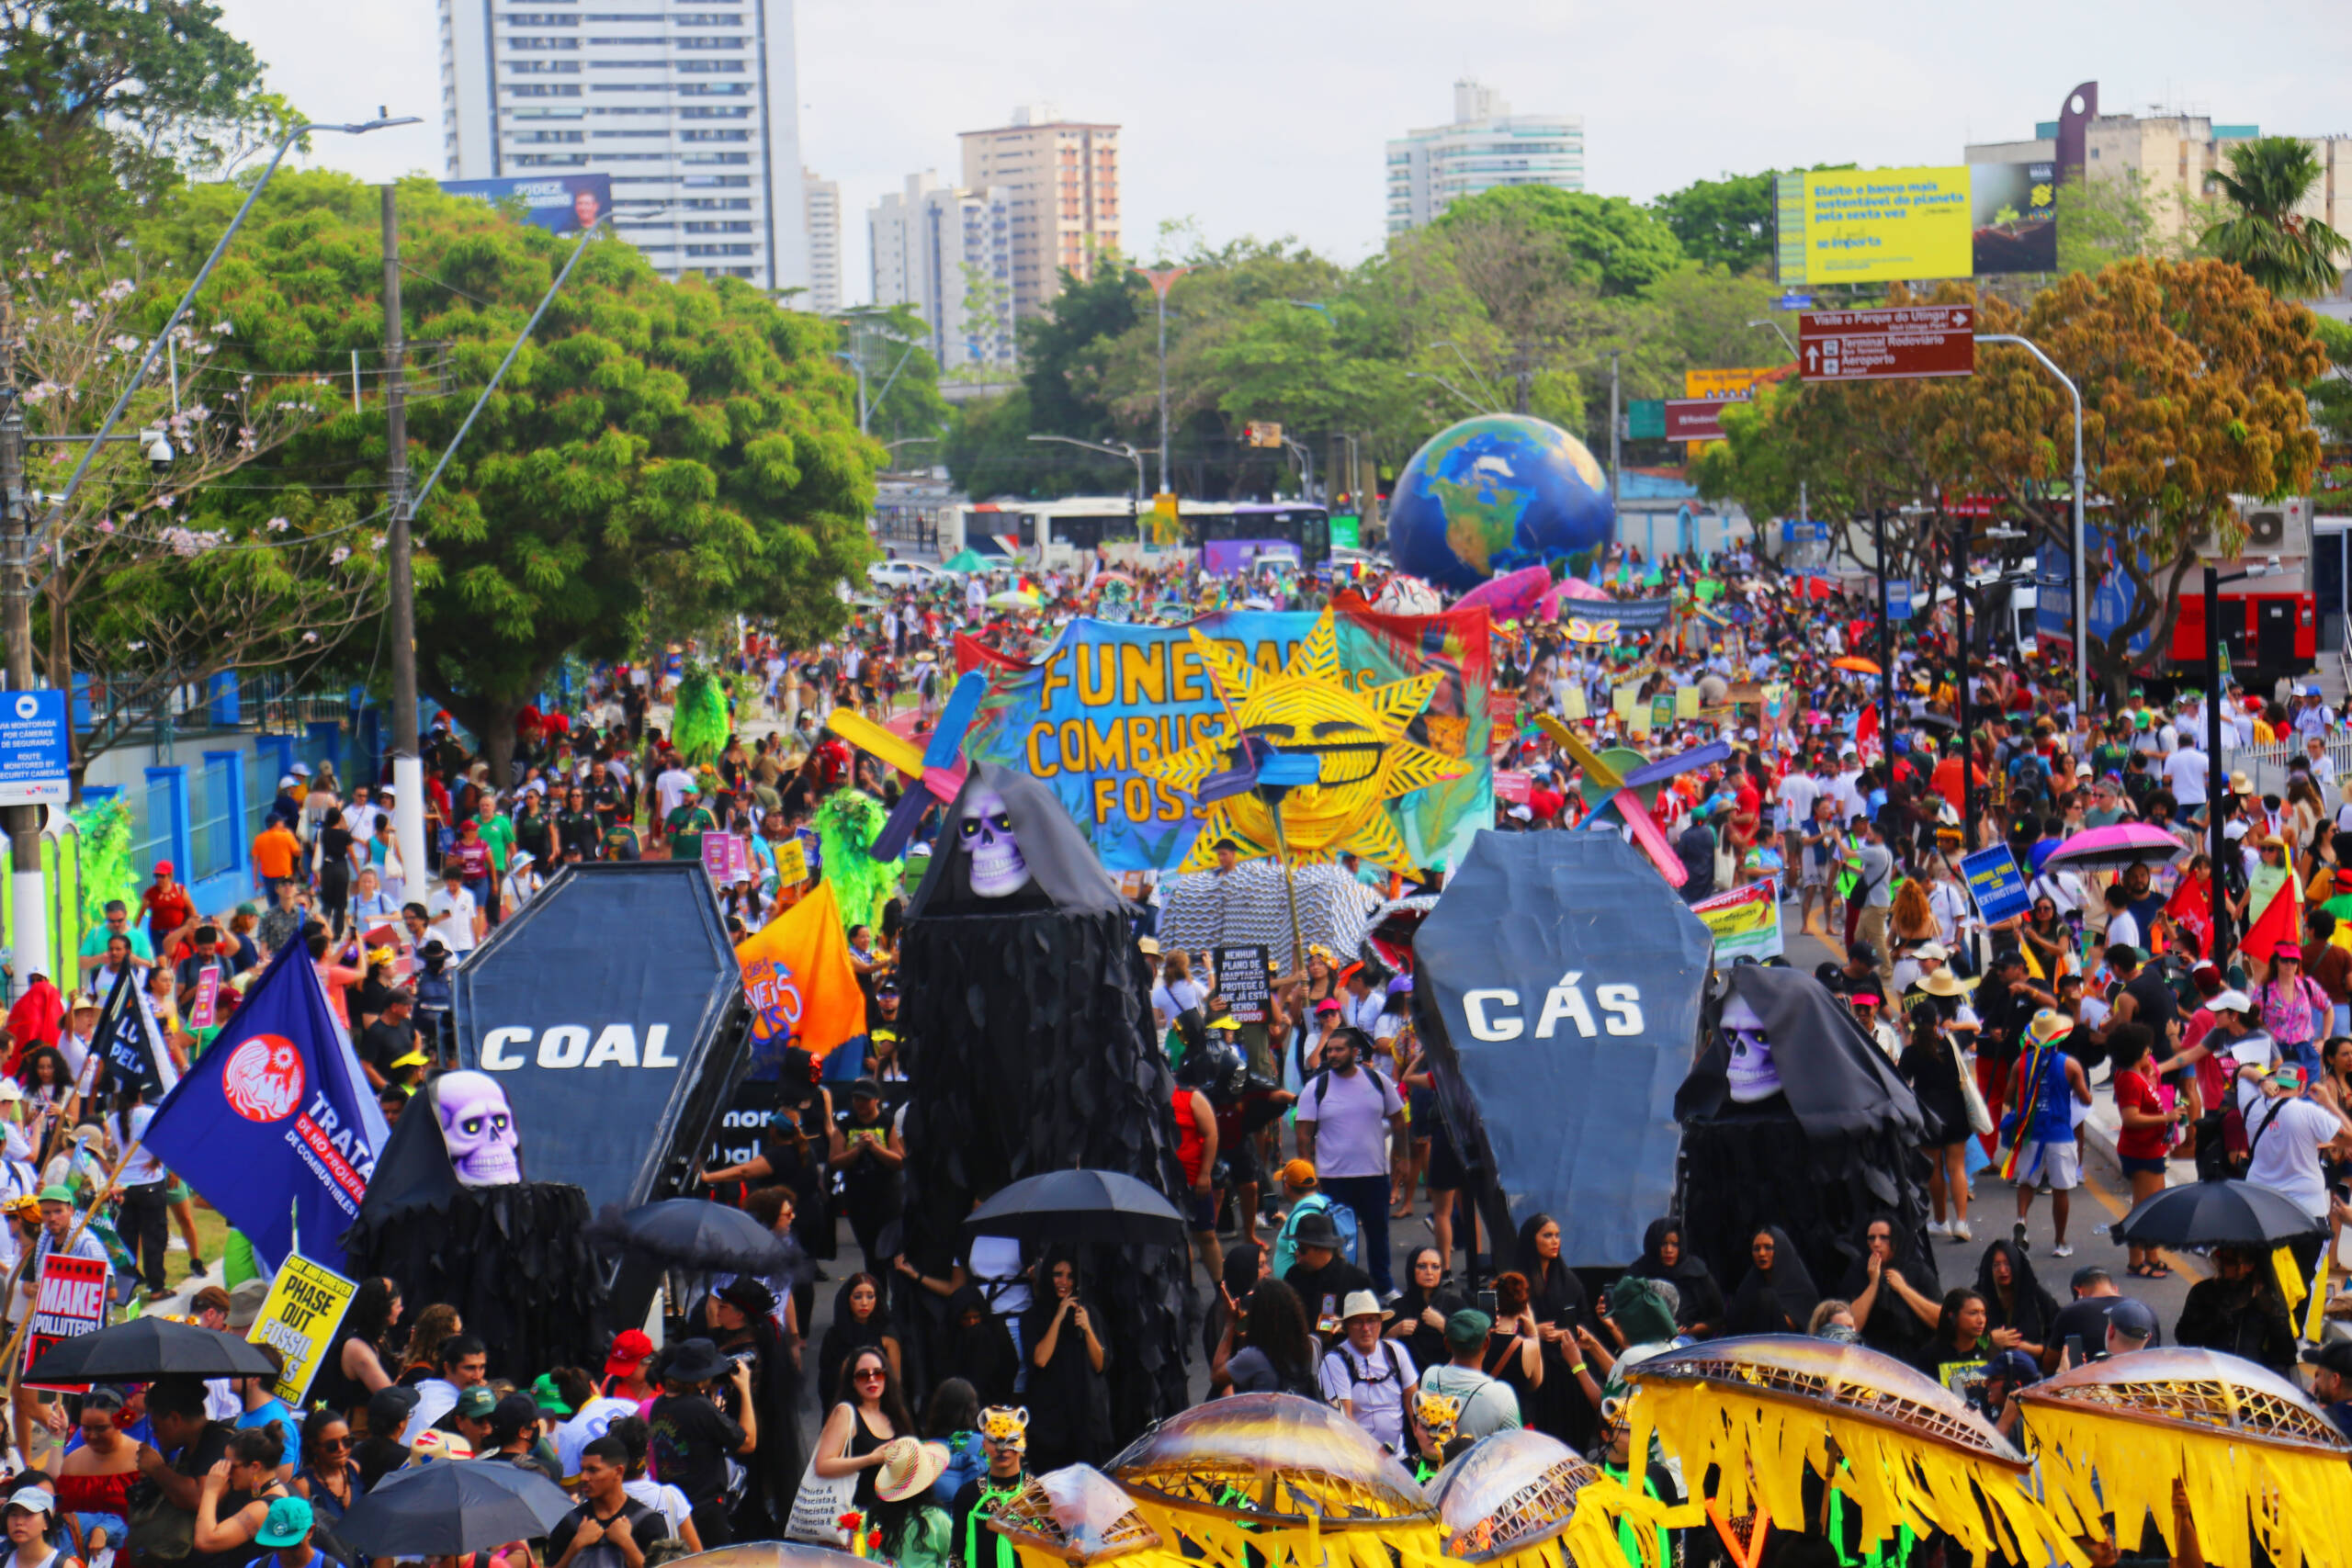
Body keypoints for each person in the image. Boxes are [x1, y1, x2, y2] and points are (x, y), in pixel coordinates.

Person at [1293, 1026, 1406, 1295]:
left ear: (1355, 1053)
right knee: (1337, 1239)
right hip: (1334, 1178)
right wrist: (1308, 1174)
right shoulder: (1316, 1087)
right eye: (1329, 1050)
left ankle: (1383, 1287)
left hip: (1374, 1175)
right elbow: (1303, 1135)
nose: (1332, 1054)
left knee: (1378, 1234)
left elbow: (1400, 1124)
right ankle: (1339, 1291)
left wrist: (1403, 1159)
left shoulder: (1379, 1081)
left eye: (1339, 1049)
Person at [647, 1338, 755, 1548]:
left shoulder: (659, 1405)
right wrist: (745, 1390)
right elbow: (748, 1442)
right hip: (706, 1510)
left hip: (674, 1507)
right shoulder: (701, 1408)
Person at [2006, 1009, 2093, 1257]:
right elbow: (2086, 1100)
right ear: (2059, 1036)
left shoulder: (2020, 1064)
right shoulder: (2070, 1064)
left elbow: (2008, 1097)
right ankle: (2060, 1241)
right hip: (2060, 1134)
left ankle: (2022, 1218)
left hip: (2031, 1132)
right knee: (2060, 1189)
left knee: (2026, 1182)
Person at [1018, 1249, 1110, 1472]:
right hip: (1049, 1422)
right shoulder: (1032, 1317)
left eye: (1070, 1276)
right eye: (1058, 1274)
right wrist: (1058, 1317)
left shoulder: (1089, 1313)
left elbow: (1100, 1364)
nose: (1064, 1282)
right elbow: (1040, 1359)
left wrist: (1088, 1329)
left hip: (1084, 1419)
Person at [1898, 1008, 1975, 1240]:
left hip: (1928, 1115)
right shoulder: (1952, 1045)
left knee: (1935, 1170)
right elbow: (1974, 1031)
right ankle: (1961, 1222)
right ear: (1937, 1022)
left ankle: (1941, 1221)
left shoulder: (1911, 1052)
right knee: (1957, 1167)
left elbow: (1902, 1082)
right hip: (1956, 1113)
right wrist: (1954, 1026)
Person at [813, 1345, 910, 1521]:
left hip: (892, 1517)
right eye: (863, 1375)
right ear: (853, 1381)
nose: (872, 1380)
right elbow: (822, 1465)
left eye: (878, 1373)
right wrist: (870, 1459)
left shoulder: (894, 1414)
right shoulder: (846, 1414)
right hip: (856, 1521)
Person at [550, 1435, 671, 1568]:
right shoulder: (571, 1524)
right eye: (583, 1470)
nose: (584, 1477)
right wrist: (575, 1545)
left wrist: (627, 1543)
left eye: (593, 1470)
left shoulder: (649, 1522)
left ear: (618, 1471)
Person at [1411, 1310, 1521, 1455]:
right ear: (1487, 1343)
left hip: (1433, 1476)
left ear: (1447, 1344)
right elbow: (1516, 1450)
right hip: (1478, 1475)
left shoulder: (1431, 1376)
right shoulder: (1502, 1395)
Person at [2175, 1246, 2298, 1374]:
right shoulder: (2203, 1292)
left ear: (2249, 1266)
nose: (2220, 1264)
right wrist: (2219, 1316)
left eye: (2229, 1262)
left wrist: (2273, 1316)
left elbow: (2286, 1354)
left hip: (2251, 1380)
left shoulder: (2265, 1299)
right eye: (2218, 1256)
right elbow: (2184, 1338)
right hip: (2210, 1375)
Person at [1320, 1291, 1417, 1453]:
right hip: (1357, 1458)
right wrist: (1374, 1454)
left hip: (1398, 1457)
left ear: (1380, 1323)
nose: (1366, 1329)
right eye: (1358, 1322)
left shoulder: (1396, 1351)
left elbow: (1412, 1400)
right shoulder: (1334, 1361)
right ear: (1347, 1327)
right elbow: (1345, 1418)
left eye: (1371, 1321)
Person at [1837, 1215, 1942, 1359]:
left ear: (1896, 1241)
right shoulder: (1858, 1271)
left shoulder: (1918, 1271)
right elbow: (1851, 1326)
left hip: (1916, 1354)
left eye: (1884, 1238)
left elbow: (1942, 1323)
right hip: (1871, 1355)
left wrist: (1904, 1289)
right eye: (1871, 1238)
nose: (1876, 1243)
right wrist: (1873, 1283)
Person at [55, 1387, 138, 1567]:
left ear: (119, 1422)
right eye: (86, 1428)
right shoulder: (72, 1462)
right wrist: (58, 1438)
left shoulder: (142, 1459)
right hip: (80, 1558)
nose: (92, 1436)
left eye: (101, 1428)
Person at [190, 1424, 292, 1568]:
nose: (226, 1473)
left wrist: (210, 1490)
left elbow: (205, 1540)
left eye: (231, 1466)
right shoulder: (278, 1491)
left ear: (255, 1467)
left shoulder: (264, 1508)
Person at [948, 1407, 1032, 1568]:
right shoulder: (967, 1495)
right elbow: (957, 1554)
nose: (1002, 1448)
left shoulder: (1038, 1495)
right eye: (994, 1440)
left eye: (1011, 1440)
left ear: (1023, 1442)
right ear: (984, 1444)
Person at [1281, 1208, 1373, 1348]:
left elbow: (1375, 1323)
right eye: (1297, 1247)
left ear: (1320, 1248)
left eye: (1303, 1249)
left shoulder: (1357, 1280)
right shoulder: (1293, 1276)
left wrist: (1346, 1326)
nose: (1296, 1253)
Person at [813, 1273, 900, 1412]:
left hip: (880, 1406)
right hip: (845, 1403)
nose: (864, 1303)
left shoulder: (887, 1334)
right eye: (858, 1296)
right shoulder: (834, 1336)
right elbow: (827, 1380)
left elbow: (895, 1380)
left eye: (870, 1296)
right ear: (847, 1299)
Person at [1625, 1218, 1723, 1337]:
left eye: (1675, 1244)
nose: (1669, 1250)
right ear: (1654, 1245)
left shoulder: (1696, 1272)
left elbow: (1717, 1320)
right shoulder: (1639, 1271)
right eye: (1663, 1244)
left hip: (1687, 1343)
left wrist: (1688, 1329)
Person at [1225, 1278, 1321, 1398]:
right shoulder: (1313, 1345)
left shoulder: (1253, 1357)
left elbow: (1217, 1375)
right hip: (1304, 1414)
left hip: (1267, 1416)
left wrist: (1230, 1323)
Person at [1974, 1239, 2062, 1364]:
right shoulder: (1976, 1299)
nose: (2002, 1270)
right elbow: (1960, 1340)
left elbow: (2060, 1335)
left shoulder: (2036, 1296)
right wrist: (1988, 1341)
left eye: (2007, 1264)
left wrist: (2035, 1350)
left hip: (2034, 1374)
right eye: (1996, 1265)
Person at [1724, 1225, 1819, 1335]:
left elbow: (1804, 1326)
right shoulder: (1748, 1286)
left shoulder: (1802, 1289)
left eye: (1768, 1247)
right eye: (1756, 1249)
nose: (1762, 1253)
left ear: (1781, 1250)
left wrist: (1768, 1306)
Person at [1386, 1245, 1466, 1373]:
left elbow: (1470, 1348)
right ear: (1411, 1270)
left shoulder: (1456, 1306)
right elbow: (1376, 1351)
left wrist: (1445, 1326)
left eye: (1435, 1267)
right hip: (1407, 1381)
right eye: (1422, 1266)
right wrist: (1393, 1333)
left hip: (1449, 1380)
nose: (1429, 1272)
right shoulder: (1397, 1308)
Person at [4, 1489, 78, 1568]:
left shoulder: (64, 1565)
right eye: (14, 1514)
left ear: (46, 1522)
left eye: (28, 1514)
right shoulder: (3, 1562)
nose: (19, 1522)